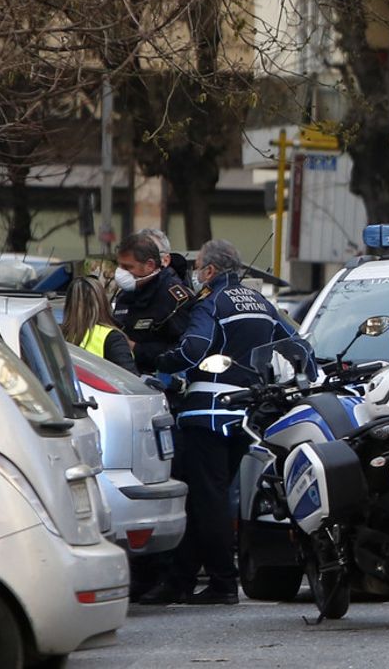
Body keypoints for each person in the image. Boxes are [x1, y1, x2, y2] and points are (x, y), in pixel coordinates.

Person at [136, 239, 290, 606]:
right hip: (246, 413)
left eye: (198, 266)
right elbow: (296, 344)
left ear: (209, 271)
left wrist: (156, 361)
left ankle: (222, 582)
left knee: (209, 501)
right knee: (204, 497)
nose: (195, 272)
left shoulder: (210, 303)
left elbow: (192, 349)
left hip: (207, 414)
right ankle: (181, 580)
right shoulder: (262, 303)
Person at [109, 232, 193, 374]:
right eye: (119, 266)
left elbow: (184, 349)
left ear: (149, 265)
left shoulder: (173, 298)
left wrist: (136, 348)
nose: (120, 273)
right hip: (127, 375)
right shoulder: (127, 292)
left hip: (161, 381)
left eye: (127, 267)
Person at [61, 276, 137, 373]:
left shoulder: (58, 336)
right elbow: (129, 380)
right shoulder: (113, 338)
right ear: (103, 301)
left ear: (68, 304)